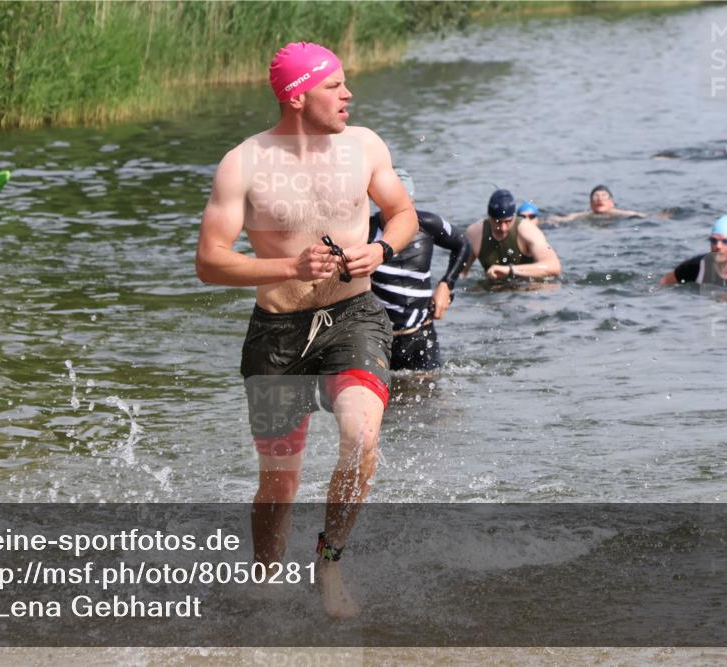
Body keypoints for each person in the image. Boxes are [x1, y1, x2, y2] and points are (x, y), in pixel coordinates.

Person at [194, 42, 418, 618]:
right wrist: (288, 267)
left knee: (361, 438)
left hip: (355, 319)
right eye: (334, 86)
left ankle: (330, 561)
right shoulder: (242, 163)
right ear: (298, 97)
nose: (349, 95)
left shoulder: (364, 145)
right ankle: (265, 581)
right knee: (279, 481)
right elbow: (211, 261)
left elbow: (403, 213)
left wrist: (381, 246)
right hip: (277, 336)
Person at [369, 168, 470, 370]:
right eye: (394, 208)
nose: (404, 214)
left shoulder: (427, 224)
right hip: (379, 340)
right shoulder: (366, 231)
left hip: (421, 336)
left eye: (408, 206)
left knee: (428, 396)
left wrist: (446, 285)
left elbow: (463, 244)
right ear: (381, 203)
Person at [463, 189, 561, 282]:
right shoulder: (474, 234)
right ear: (489, 217)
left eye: (508, 221)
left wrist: (510, 270)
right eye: (497, 222)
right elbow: (460, 274)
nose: (503, 228)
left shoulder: (528, 230)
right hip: (493, 291)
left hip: (526, 288)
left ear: (514, 217)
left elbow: (554, 267)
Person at [659, 215, 727, 287]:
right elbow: (663, 285)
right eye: (713, 240)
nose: (718, 246)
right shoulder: (696, 267)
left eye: (725, 241)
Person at [547, 184, 646, 223]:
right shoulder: (584, 215)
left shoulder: (620, 214)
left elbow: (638, 215)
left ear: (611, 202)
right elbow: (567, 219)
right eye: (596, 196)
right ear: (590, 203)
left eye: (604, 196)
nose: (600, 199)